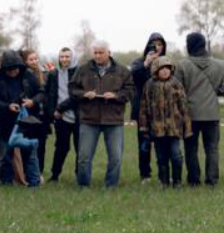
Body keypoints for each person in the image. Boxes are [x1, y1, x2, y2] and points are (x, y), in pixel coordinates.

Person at [70, 41, 133, 188]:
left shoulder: (122, 71)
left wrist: (116, 96)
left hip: (114, 120)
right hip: (89, 119)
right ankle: (83, 186)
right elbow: (72, 89)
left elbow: (130, 91)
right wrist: (85, 94)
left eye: (101, 53)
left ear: (109, 52)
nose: (97, 55)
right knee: (84, 157)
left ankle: (111, 186)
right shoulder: (83, 70)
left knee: (115, 158)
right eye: (95, 52)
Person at [175, 32, 224, 187]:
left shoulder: (182, 65)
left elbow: (177, 90)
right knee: (212, 149)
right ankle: (212, 180)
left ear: (189, 45)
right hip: (212, 114)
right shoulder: (220, 65)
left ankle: (194, 180)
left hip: (190, 115)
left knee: (191, 149)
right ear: (204, 44)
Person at [0, 50, 43, 187]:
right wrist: (7, 106)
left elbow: (41, 93)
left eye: (16, 68)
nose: (13, 72)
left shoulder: (28, 75)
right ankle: (6, 183)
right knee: (6, 155)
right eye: (10, 69)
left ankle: (34, 183)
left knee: (30, 154)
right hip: (6, 122)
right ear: (5, 68)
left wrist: (33, 101)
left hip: (28, 121)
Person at [138, 56, 190, 188]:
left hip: (174, 128)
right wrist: (144, 127)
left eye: (168, 68)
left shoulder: (176, 84)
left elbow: (184, 106)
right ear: (156, 70)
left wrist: (187, 127)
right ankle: (164, 181)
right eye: (162, 69)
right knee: (161, 157)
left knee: (176, 156)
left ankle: (177, 181)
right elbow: (144, 108)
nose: (165, 71)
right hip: (157, 129)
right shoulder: (149, 85)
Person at [129, 33, 168, 183]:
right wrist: (146, 64)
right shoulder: (139, 62)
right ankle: (145, 174)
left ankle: (163, 174)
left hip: (163, 109)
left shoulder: (166, 62)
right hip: (143, 110)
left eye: (160, 44)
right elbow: (133, 78)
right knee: (144, 144)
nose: (157, 47)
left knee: (163, 143)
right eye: (154, 44)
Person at [41, 47, 78, 182]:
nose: (64, 59)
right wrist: (53, 113)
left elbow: (77, 96)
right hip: (60, 117)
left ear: (72, 57)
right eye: (62, 57)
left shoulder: (79, 73)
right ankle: (55, 175)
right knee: (62, 147)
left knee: (80, 148)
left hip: (79, 117)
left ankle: (80, 175)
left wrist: (60, 108)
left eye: (67, 56)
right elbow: (48, 95)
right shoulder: (53, 74)